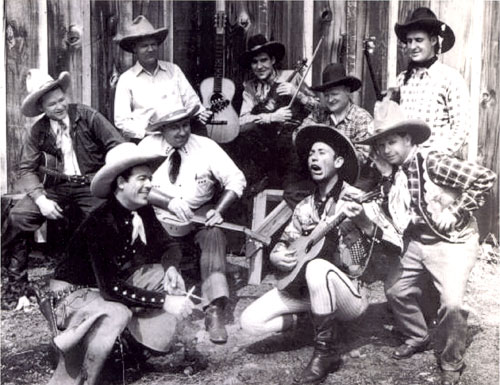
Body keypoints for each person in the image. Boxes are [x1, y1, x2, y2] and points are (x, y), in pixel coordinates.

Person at [240, 125, 401, 384]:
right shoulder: (304, 206)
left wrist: (364, 221)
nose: (313, 157)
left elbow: (394, 244)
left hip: (351, 292)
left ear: (338, 161)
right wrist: (276, 256)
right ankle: (310, 324)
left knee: (316, 267)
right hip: (307, 292)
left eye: (321, 152)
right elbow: (285, 242)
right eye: (311, 153)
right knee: (250, 322)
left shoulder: (358, 198)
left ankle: (327, 353)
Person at [357, 101, 496, 385]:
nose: (386, 150)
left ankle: (451, 361)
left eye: (392, 142)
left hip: (453, 241)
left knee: (453, 304)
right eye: (381, 145)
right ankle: (417, 335)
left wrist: (456, 211)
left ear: (408, 138)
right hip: (418, 242)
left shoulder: (434, 162)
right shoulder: (392, 171)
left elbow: (486, 178)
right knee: (396, 290)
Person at [38, 142, 194, 385]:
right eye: (142, 178)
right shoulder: (100, 221)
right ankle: (79, 372)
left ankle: (135, 346)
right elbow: (111, 289)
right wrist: (166, 301)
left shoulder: (143, 210)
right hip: (72, 294)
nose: (150, 184)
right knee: (117, 312)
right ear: (121, 182)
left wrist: (171, 267)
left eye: (150, 178)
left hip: (105, 288)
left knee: (163, 276)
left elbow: (168, 245)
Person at [1, 70, 124, 310]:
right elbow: (26, 169)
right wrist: (40, 200)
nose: (59, 106)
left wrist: (108, 177)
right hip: (55, 188)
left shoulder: (88, 116)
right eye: (52, 104)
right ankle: (17, 288)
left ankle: (109, 281)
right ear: (42, 108)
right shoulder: (38, 131)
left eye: (61, 99)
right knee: (19, 216)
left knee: (105, 218)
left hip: (91, 184)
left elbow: (117, 146)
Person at [138, 105, 246, 344]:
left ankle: (214, 309)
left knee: (214, 233)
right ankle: (159, 309)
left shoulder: (206, 146)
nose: (181, 132)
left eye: (185, 125)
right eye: (174, 127)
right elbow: (134, 186)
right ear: (161, 129)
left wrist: (218, 211)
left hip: (199, 214)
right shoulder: (147, 148)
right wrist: (168, 202)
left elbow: (236, 178)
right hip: (157, 217)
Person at [227, 34, 318, 194]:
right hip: (265, 145)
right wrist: (270, 117)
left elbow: (318, 108)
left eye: (263, 60)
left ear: (273, 60)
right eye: (255, 62)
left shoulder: (292, 77)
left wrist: (298, 94)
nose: (259, 66)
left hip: (290, 142)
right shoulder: (250, 86)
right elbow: (241, 121)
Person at [114, 15, 212, 141]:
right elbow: (122, 121)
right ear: (135, 49)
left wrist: (202, 114)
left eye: (153, 44)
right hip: (149, 139)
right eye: (144, 46)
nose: (150, 49)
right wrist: (147, 132)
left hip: (180, 135)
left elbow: (193, 103)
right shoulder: (126, 80)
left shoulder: (173, 70)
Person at [394, 7, 470, 155]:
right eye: (409, 41)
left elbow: (461, 129)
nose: (413, 46)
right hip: (405, 164)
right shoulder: (402, 79)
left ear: (433, 40)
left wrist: (435, 158)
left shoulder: (450, 78)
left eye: (419, 40)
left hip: (436, 165)